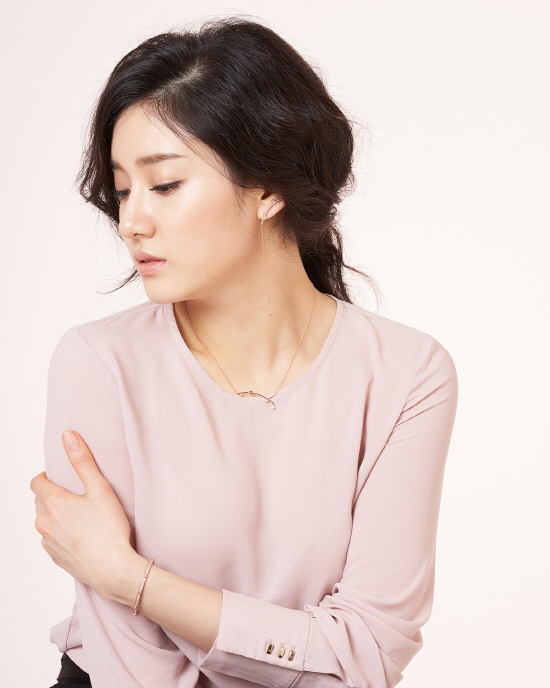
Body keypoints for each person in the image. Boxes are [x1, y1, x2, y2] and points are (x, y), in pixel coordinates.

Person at [32, 17, 459, 688]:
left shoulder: (406, 374)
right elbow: (129, 668)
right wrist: (303, 650)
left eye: (164, 185)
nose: (131, 221)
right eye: (121, 190)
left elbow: (369, 652)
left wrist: (129, 578)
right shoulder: (99, 363)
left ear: (268, 188)